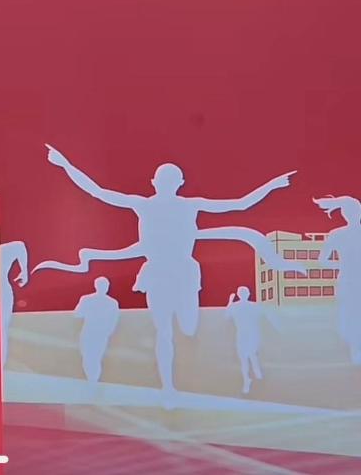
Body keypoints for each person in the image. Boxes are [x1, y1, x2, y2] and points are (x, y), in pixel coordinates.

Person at [34, 144, 302, 401]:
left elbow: (240, 205)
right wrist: (65, 164)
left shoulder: (188, 205)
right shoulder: (145, 205)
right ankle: (168, 389)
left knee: (188, 327)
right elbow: (98, 192)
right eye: (165, 180)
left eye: (170, 180)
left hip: (183, 272)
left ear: (176, 183)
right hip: (158, 273)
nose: (166, 184)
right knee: (164, 331)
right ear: (157, 183)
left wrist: (272, 185)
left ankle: (173, 380)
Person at [315, 196, 361, 364]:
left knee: (352, 315)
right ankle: (356, 349)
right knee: (352, 315)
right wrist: (342, 265)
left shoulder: (337, 234)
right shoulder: (337, 234)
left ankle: (355, 349)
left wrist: (341, 265)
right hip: (349, 281)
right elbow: (322, 260)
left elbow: (322, 260)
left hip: (348, 280)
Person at [74, 277, 121, 383]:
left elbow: (114, 319)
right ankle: (91, 380)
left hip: (100, 333)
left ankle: (93, 381)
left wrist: (108, 331)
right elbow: (77, 314)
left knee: (95, 358)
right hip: (89, 332)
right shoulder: (87, 299)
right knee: (87, 357)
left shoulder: (112, 303)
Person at [225, 286, 269, 394]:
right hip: (251, 334)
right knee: (252, 355)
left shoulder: (235, 306)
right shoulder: (254, 306)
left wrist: (230, 301)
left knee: (245, 359)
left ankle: (248, 380)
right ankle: (255, 375)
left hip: (243, 335)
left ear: (239, 295)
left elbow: (226, 316)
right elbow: (263, 314)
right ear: (248, 294)